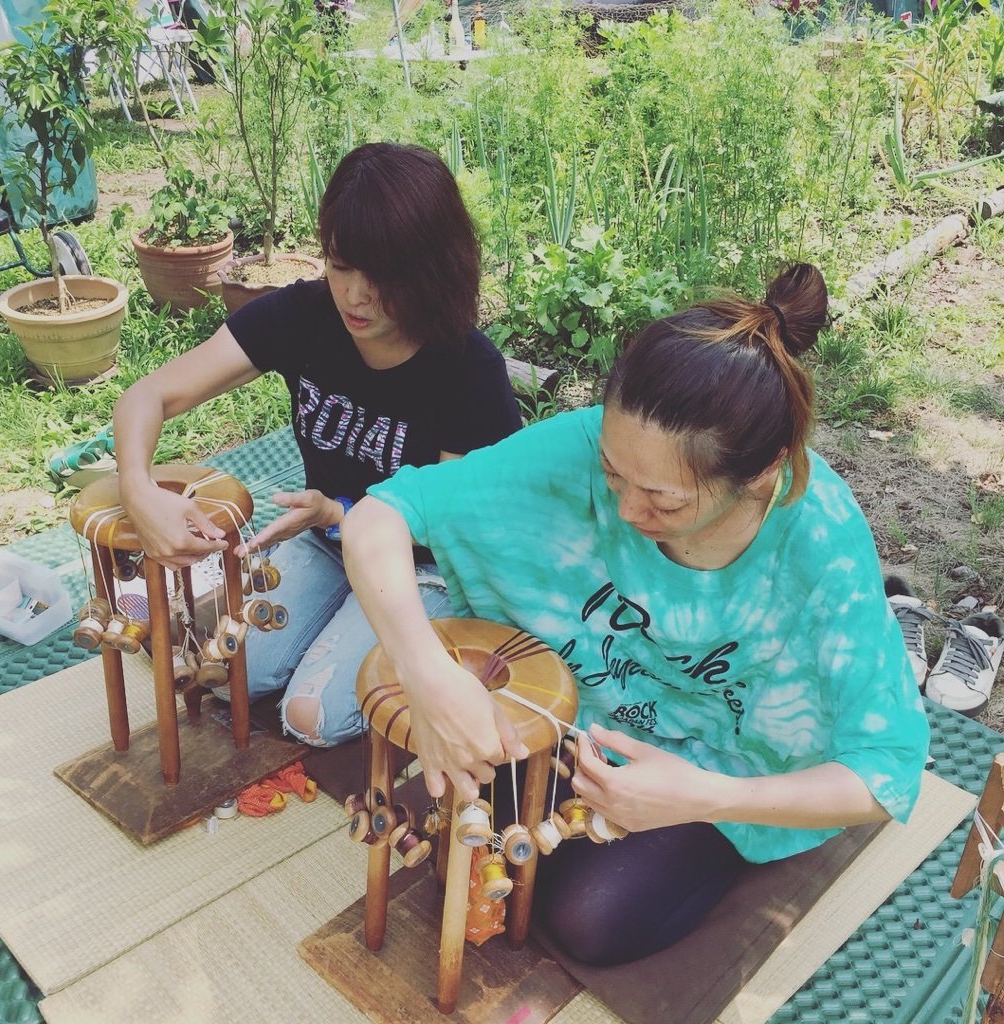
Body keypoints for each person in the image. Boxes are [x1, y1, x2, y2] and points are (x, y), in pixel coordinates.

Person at [341, 262, 930, 965]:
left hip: (727, 765)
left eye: (663, 500)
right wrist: (426, 674)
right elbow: (381, 515)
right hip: (591, 722)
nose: (623, 510)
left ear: (762, 474)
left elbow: (886, 771)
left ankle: (728, 831)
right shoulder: (588, 444)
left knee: (590, 919)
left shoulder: (820, 540)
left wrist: (703, 797)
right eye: (613, 475)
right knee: (460, 850)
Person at [113, 141, 523, 748]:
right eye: (341, 265)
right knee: (222, 667)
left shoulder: (468, 371)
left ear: (432, 268)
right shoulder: (302, 316)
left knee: (310, 715)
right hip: (323, 543)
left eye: (382, 276)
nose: (356, 295)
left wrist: (339, 513)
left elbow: (454, 529)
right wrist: (138, 489)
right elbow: (147, 396)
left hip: (424, 571)